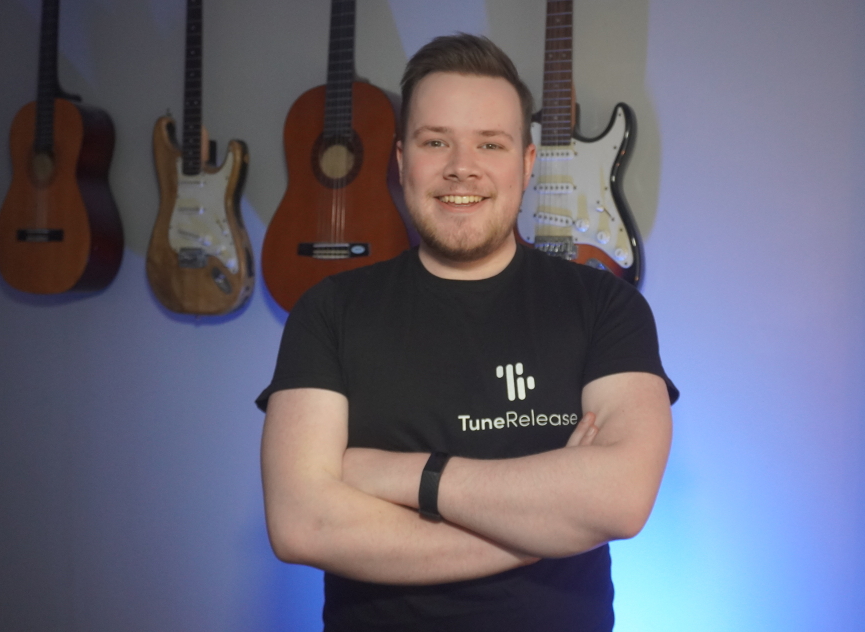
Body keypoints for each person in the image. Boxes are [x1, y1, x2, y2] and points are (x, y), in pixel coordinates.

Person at [256, 34, 678, 632]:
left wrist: (397, 473)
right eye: (436, 142)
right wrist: (548, 528)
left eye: (491, 143)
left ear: (527, 164)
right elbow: (304, 524)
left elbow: (620, 501)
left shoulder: (605, 305)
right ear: (401, 160)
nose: (463, 166)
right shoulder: (328, 311)